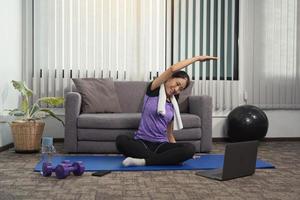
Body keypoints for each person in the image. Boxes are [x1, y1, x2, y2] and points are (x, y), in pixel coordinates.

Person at [116, 55, 218, 166]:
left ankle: (143, 161)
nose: (176, 89)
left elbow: (169, 135)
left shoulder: (172, 106)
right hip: (142, 142)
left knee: (190, 148)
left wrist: (182, 152)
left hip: (161, 145)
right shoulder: (153, 89)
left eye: (181, 89)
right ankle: (162, 159)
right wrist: (197, 59)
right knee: (120, 140)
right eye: (177, 84)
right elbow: (172, 69)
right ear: (169, 78)